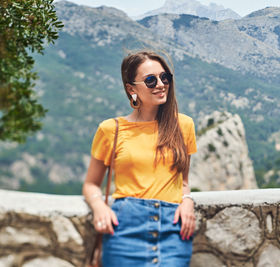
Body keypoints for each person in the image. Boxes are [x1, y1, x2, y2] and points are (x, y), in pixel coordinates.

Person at [82, 50, 197, 266]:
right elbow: (90, 184)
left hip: (174, 229)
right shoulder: (111, 130)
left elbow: (183, 181)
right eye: (151, 80)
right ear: (131, 89)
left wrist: (188, 201)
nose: (161, 85)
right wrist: (99, 207)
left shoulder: (184, 125)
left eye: (165, 78)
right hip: (124, 227)